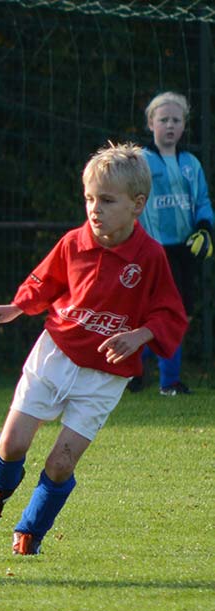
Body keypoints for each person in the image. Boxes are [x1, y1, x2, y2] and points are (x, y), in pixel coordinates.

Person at [0, 142, 187, 556]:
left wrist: (140, 335)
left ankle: (30, 532)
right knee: (13, 445)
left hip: (105, 374)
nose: (94, 209)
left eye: (107, 200)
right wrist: (16, 307)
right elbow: (44, 282)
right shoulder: (74, 242)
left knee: (61, 462)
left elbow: (170, 314)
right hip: (56, 353)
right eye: (89, 199)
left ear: (137, 204)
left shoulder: (150, 257)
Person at [132, 91, 214, 396]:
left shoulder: (191, 163)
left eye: (176, 120)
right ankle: (165, 381)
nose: (170, 125)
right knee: (163, 314)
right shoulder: (140, 161)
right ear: (150, 123)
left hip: (184, 249)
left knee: (182, 314)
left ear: (184, 125)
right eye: (163, 119)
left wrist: (205, 228)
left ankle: (136, 369)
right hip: (152, 249)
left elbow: (202, 201)